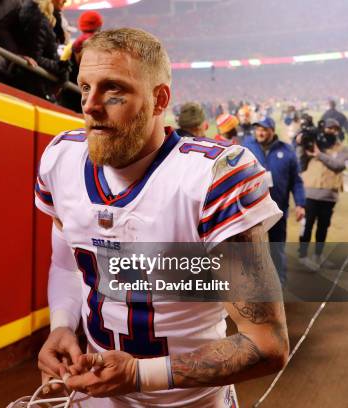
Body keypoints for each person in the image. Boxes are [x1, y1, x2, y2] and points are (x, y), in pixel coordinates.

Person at [35, 28, 288, 407]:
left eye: (113, 90)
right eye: (85, 87)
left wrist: (140, 374)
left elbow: (266, 343)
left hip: (191, 401)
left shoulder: (211, 177)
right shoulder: (61, 159)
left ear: (159, 99)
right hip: (94, 392)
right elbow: (67, 266)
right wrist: (61, 326)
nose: (89, 105)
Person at [242, 117, 305, 285]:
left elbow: (296, 181)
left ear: (272, 130)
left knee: (277, 249)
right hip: (252, 211)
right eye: (258, 129)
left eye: (264, 129)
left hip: (278, 210)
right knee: (252, 250)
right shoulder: (246, 147)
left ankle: (279, 284)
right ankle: (254, 285)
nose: (260, 132)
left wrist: (300, 204)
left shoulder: (287, 151)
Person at [297, 118, 348, 267]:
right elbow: (299, 151)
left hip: (329, 195)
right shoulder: (313, 144)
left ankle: (318, 255)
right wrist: (301, 138)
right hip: (310, 194)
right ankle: (303, 255)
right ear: (323, 129)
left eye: (335, 129)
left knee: (323, 227)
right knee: (307, 225)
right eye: (329, 128)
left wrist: (319, 154)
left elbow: (338, 165)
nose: (332, 131)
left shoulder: (342, 149)